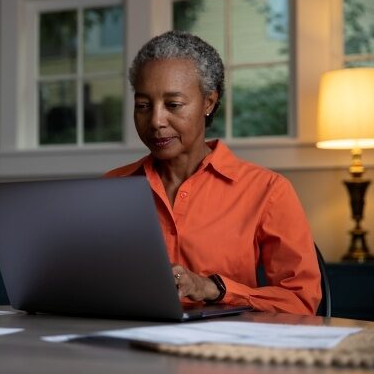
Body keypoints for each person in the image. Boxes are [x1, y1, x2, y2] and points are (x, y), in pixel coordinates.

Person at [105, 30, 321, 314]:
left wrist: (214, 288)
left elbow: (301, 301)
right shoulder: (110, 188)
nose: (156, 121)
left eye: (173, 105)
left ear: (208, 102)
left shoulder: (268, 191)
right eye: (143, 106)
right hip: (122, 346)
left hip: (221, 351)